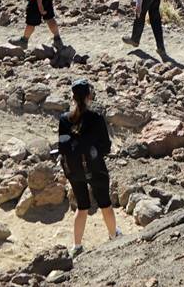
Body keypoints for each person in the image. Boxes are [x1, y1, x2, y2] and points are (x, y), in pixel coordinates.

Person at [56, 79, 118, 250]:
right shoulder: (96, 118)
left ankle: (76, 246)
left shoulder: (64, 119)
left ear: (73, 97)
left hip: (74, 171)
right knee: (105, 204)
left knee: (82, 207)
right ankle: (114, 237)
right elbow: (106, 146)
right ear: (89, 96)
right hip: (95, 168)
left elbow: (62, 146)